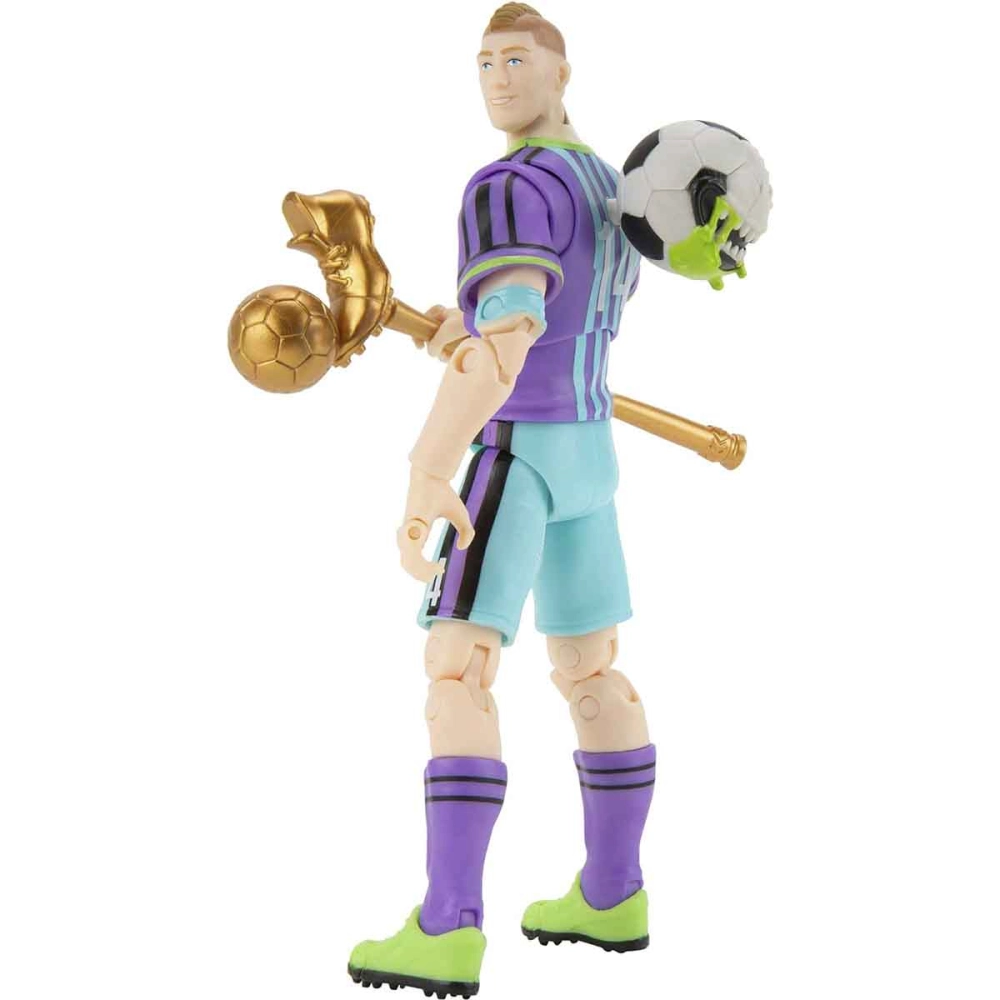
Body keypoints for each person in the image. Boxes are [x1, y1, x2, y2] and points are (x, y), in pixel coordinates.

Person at [349, 5, 654, 995]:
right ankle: (612, 893)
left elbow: (505, 351)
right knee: (592, 669)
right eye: (483, 62)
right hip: (590, 452)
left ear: (562, 70)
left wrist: (427, 466)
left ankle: (448, 926)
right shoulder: (607, 184)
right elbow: (534, 316)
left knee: (458, 672)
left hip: (518, 452)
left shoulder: (510, 186)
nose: (497, 77)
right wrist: (468, 328)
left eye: (517, 58)